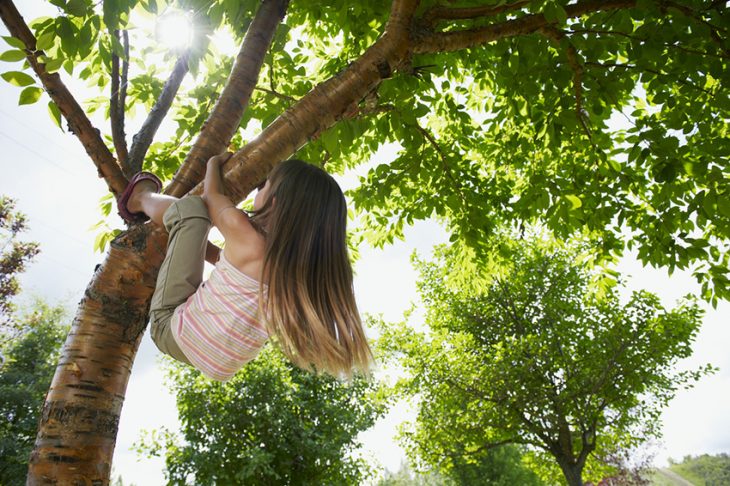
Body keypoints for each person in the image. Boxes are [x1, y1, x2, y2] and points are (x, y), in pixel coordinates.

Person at [117, 153, 372, 381]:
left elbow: (211, 197)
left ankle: (139, 199)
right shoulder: (302, 272)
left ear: (275, 202)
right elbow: (233, 274)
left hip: (170, 327)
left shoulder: (246, 235)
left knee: (191, 211)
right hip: (221, 362)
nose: (257, 192)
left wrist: (213, 163)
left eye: (264, 186)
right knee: (202, 239)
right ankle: (173, 230)